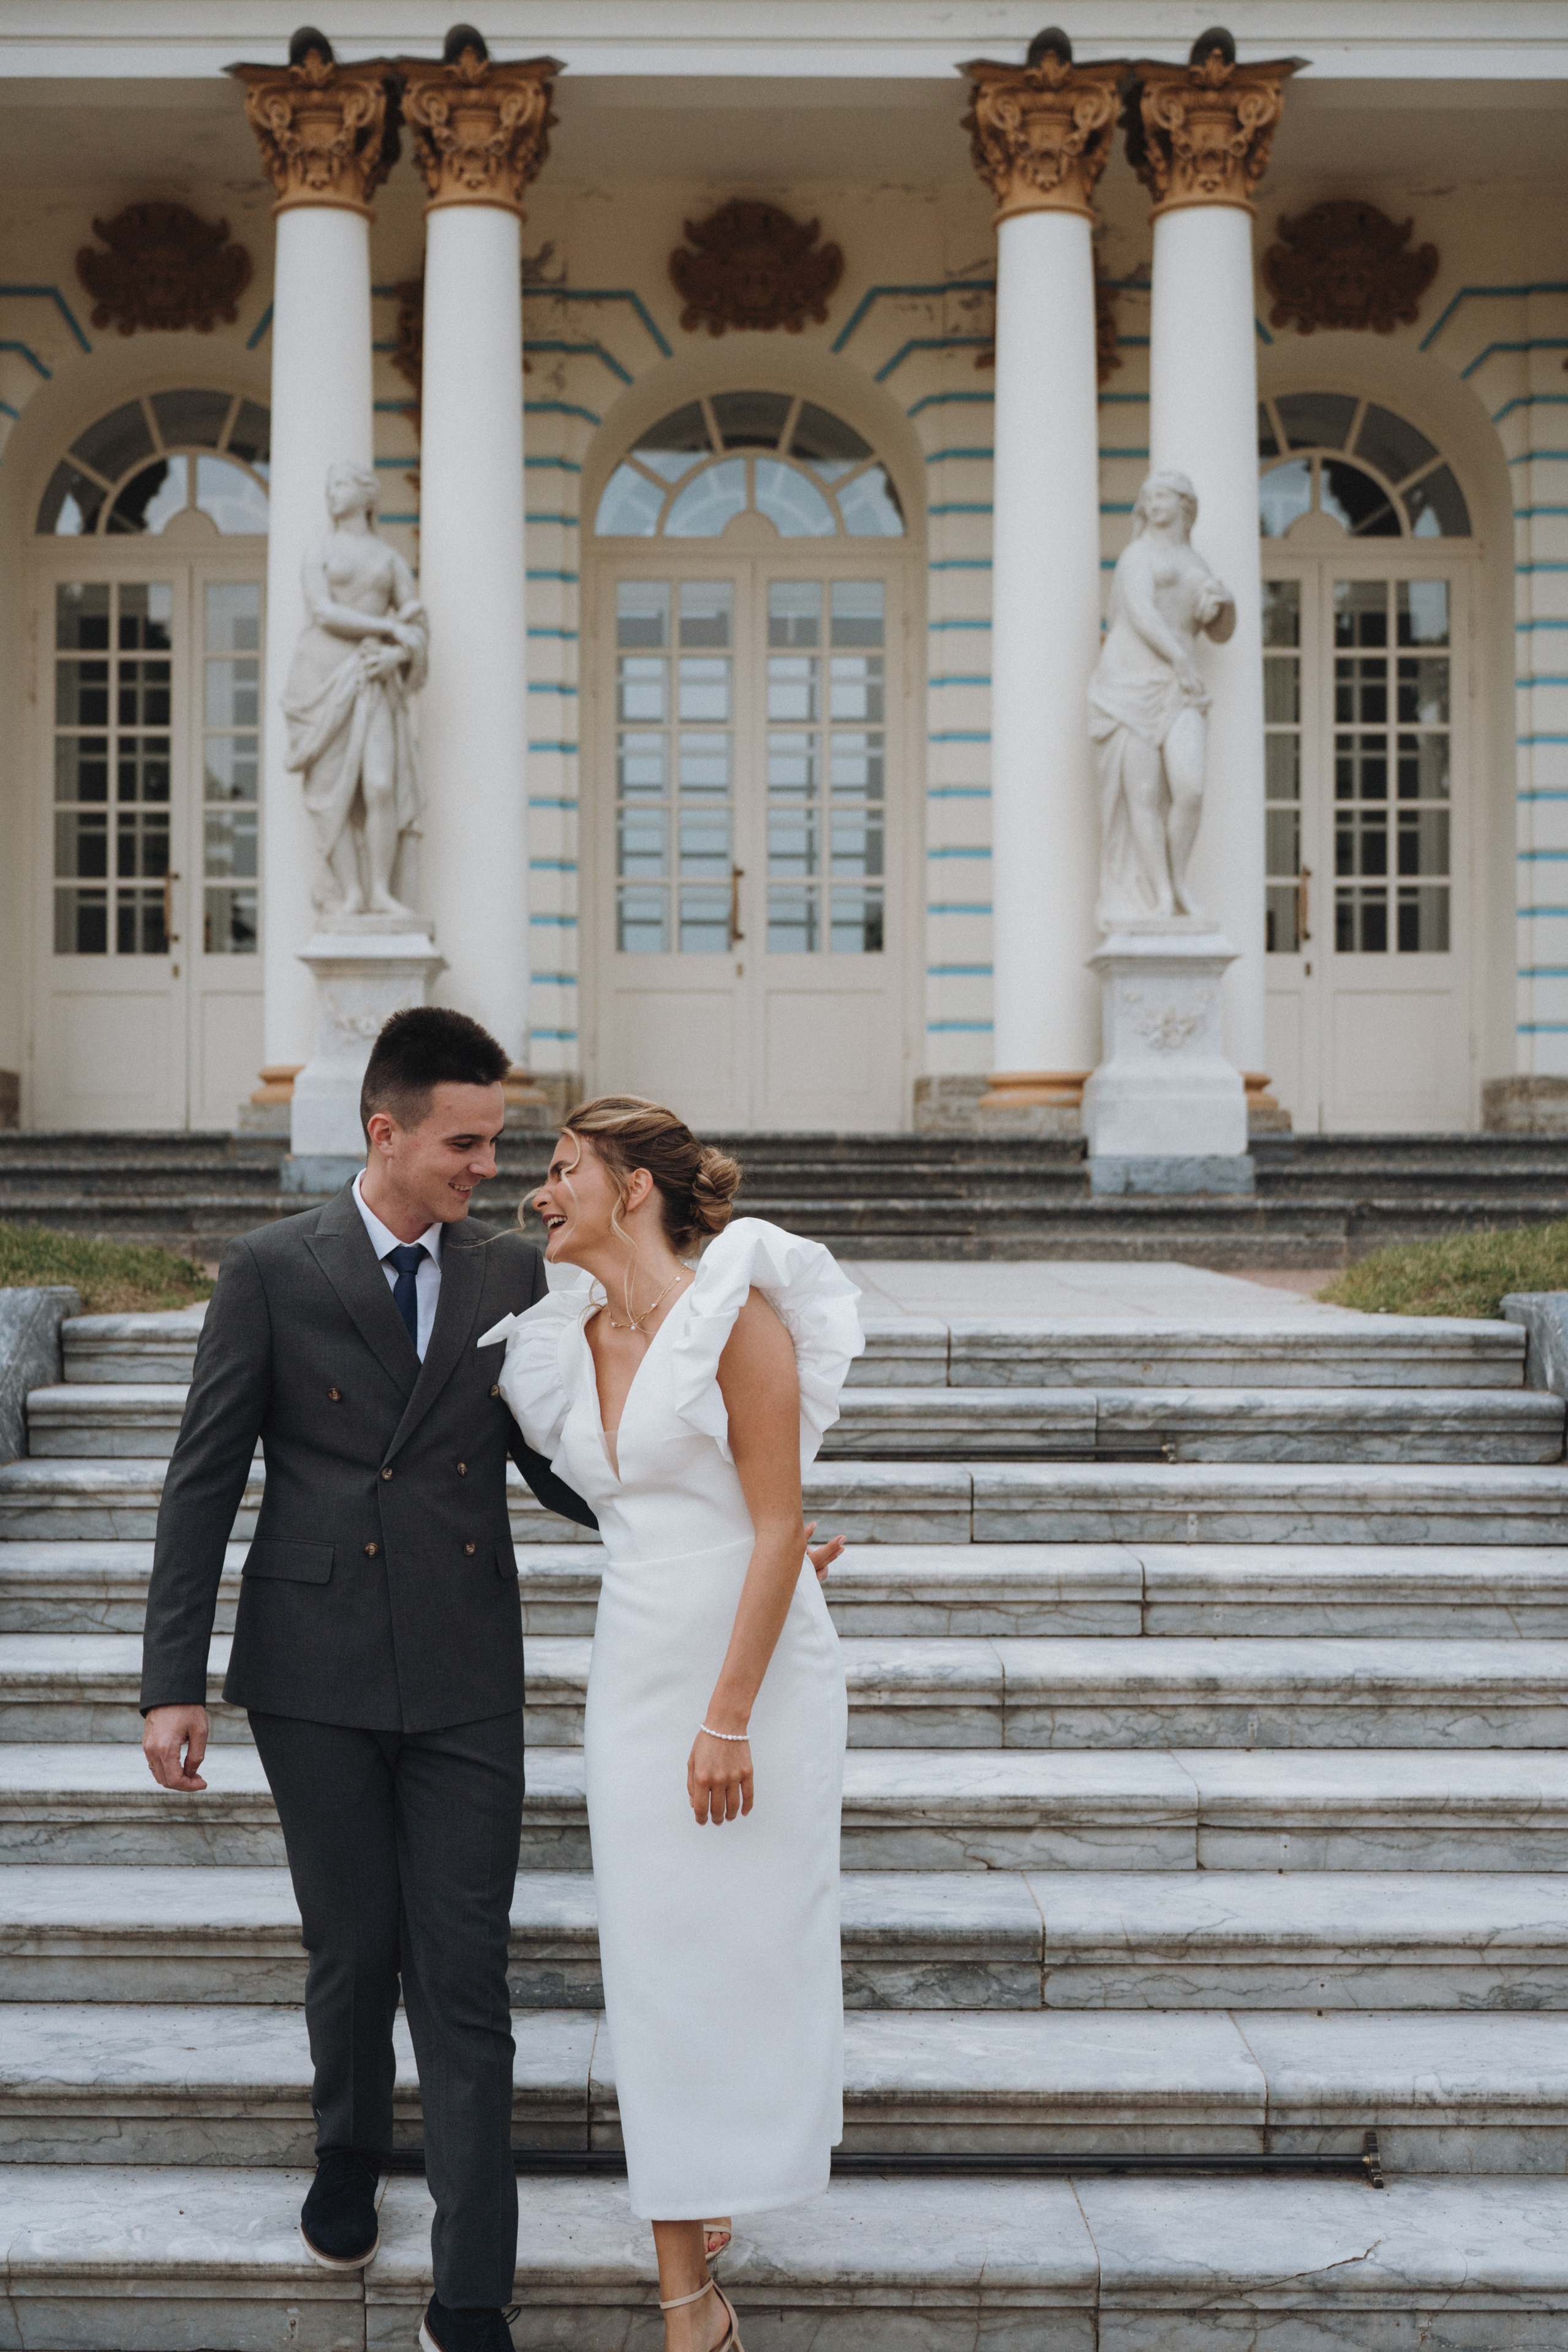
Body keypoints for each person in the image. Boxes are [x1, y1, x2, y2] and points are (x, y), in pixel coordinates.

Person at [139, 1006, 598, 2352]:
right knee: (353, 1950)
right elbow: (202, 1479)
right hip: (313, 1667)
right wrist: (175, 1679)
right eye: (463, 1141)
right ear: (383, 1131)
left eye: (497, 1140)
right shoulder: (273, 1270)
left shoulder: (511, 1275)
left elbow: (560, 1460)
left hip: (464, 1665)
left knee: (464, 1975)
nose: (484, 1165)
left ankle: (471, 2294)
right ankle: (347, 2147)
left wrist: (719, 1528)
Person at [482, 1097, 860, 2352]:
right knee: (651, 1963)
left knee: (745, 1948)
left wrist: (731, 1717)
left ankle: (687, 2285)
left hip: (748, 1675)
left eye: (560, 1170)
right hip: (633, 1665)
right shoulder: (558, 1337)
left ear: (630, 1188)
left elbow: (771, 1524)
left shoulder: (735, 1313)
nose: (540, 1194)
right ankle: (686, 2248)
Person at [1088, 469, 1236, 927]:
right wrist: (1179, 659)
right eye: (1147, 495)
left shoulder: (1196, 563)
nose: (1152, 502)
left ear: (1184, 505)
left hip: (1179, 685)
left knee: (1190, 789)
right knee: (1144, 796)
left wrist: (1224, 606)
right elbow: (1140, 611)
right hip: (1131, 681)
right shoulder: (1138, 555)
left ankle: (1178, 880)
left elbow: (1220, 632)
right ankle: (1162, 896)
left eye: (1162, 495)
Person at [282, 458, 427, 919]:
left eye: (340, 484)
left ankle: (381, 891)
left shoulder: (389, 559)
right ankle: (351, 894)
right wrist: (385, 628)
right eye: (330, 485)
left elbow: (417, 625)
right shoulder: (318, 553)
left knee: (381, 785)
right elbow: (323, 613)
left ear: (367, 496)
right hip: (323, 676)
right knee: (331, 794)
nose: (332, 493)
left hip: (373, 676)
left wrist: (397, 655)